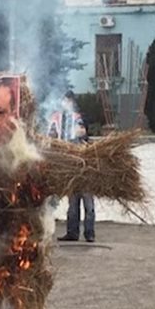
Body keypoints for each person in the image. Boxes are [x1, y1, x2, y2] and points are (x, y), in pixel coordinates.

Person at [53, 92, 95, 243]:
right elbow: (53, 134)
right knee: (72, 204)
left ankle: (89, 234)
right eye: (64, 100)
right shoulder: (58, 118)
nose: (65, 103)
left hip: (84, 169)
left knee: (88, 203)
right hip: (70, 168)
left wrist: (80, 133)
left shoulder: (78, 118)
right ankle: (72, 233)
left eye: (68, 100)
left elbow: (84, 134)